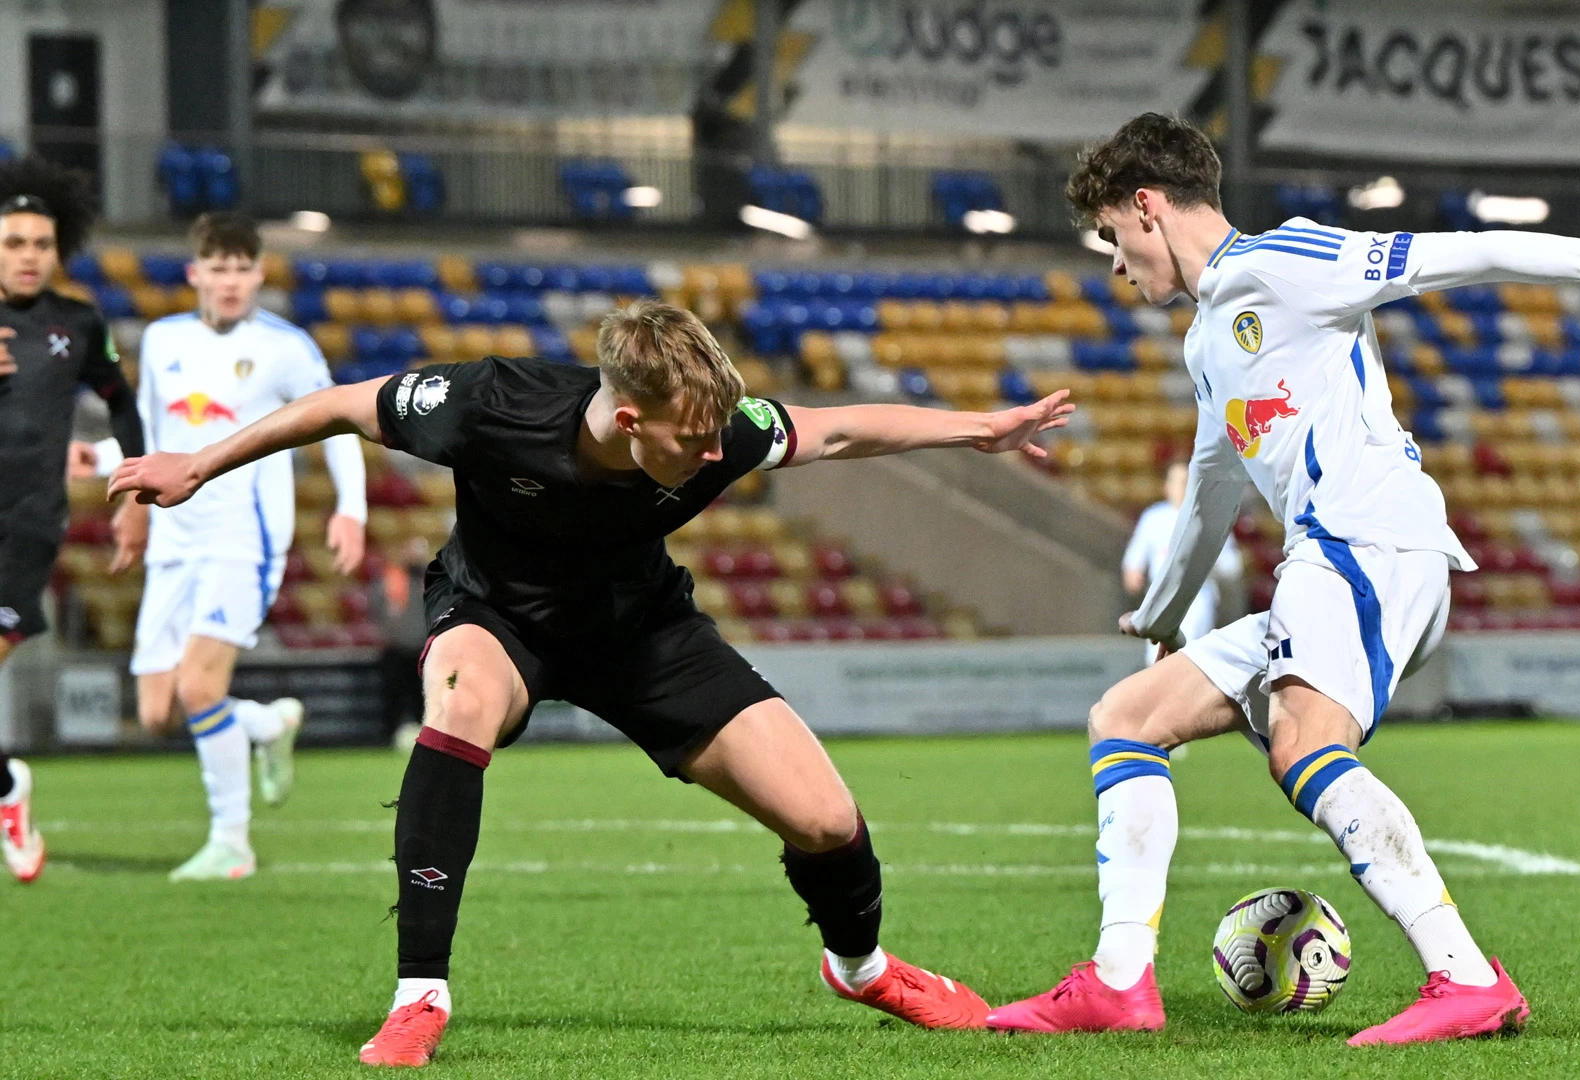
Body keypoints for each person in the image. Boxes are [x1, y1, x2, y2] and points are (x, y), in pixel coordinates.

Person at [111, 299, 1075, 1066]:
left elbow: (835, 432)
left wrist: (977, 428)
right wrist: (200, 464)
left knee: (825, 821)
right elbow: (336, 406)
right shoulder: (489, 403)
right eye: (693, 442)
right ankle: (419, 998)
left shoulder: (716, 426)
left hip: (640, 629)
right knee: (461, 702)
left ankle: (861, 968)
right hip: (500, 616)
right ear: (625, 419)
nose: (716, 456)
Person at [985, 113, 1580, 1044]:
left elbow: (1474, 250)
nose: (1112, 263)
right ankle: (1116, 983)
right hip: (1333, 559)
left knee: (1301, 742)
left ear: (1146, 207)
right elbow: (1215, 488)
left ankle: (1465, 978)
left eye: (1111, 235)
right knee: (1127, 716)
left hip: (1369, 542)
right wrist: (1160, 613)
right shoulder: (1208, 341)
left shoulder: (1291, 261)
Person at [85, 212, 366, 882]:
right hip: (174, 542)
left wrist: (351, 509)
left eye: (243, 267)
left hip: (244, 539)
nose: (231, 280)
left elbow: (342, 420)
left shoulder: (287, 348)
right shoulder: (162, 340)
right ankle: (265, 725)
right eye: (219, 266)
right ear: (195, 273)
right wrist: (106, 474)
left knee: (199, 686)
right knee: (157, 713)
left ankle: (231, 843)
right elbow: (148, 434)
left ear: (259, 274)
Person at [0, 156, 147, 884]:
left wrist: (133, 500)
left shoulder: (80, 324)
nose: (29, 256)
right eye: (13, 242)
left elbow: (123, 402)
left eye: (40, 243)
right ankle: (7, 791)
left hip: (25, 525)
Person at [1120, 459, 1242, 668]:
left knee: (1190, 663)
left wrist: (1208, 557)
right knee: (1158, 665)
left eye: (1187, 481)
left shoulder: (1210, 517)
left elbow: (1233, 567)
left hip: (1198, 600)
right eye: (1177, 482)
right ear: (1166, 486)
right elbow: (1133, 561)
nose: (1182, 488)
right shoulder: (1153, 518)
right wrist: (1133, 574)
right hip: (1160, 601)